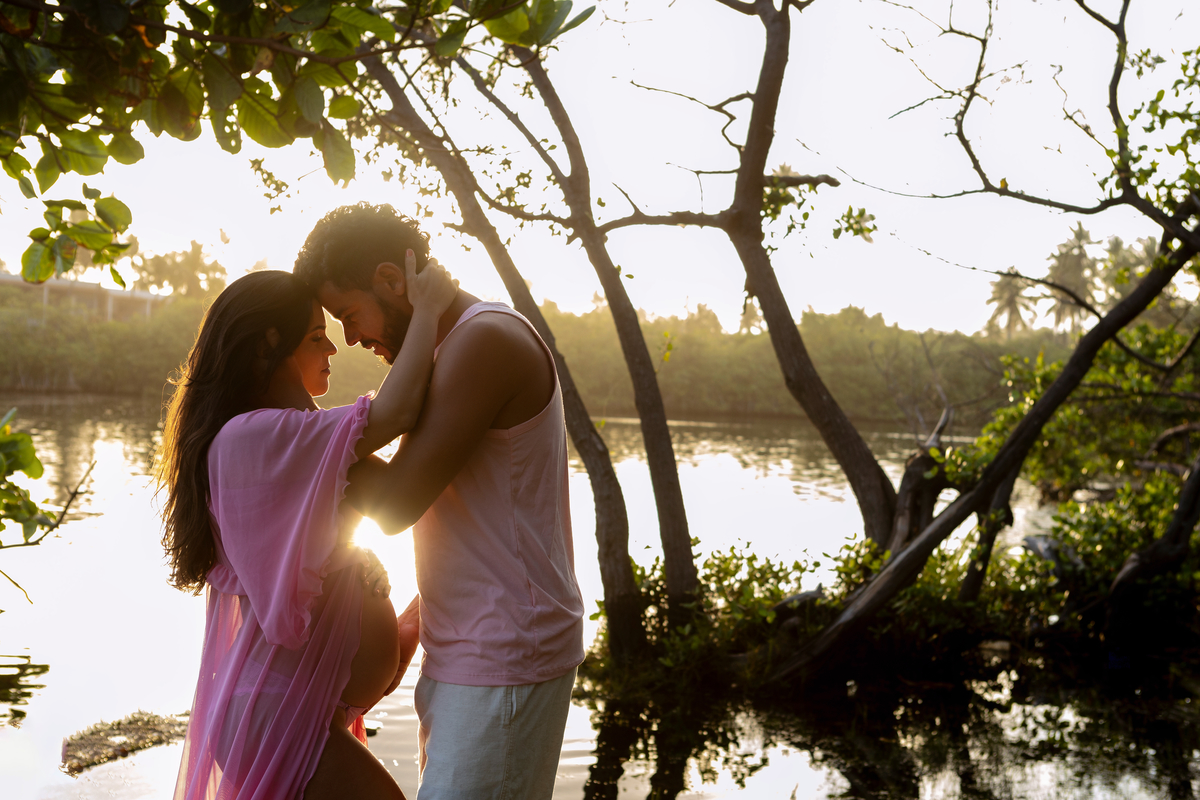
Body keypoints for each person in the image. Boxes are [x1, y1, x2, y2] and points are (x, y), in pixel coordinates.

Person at [294, 203, 585, 800]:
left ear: (392, 281)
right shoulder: (441, 351)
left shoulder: (485, 342)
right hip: (468, 648)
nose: (351, 338)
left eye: (350, 314)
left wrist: (282, 440)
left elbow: (395, 507)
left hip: (506, 653)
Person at [159, 259, 456, 800]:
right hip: (274, 708)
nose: (334, 349)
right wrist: (429, 312)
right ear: (272, 342)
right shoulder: (251, 437)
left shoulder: (298, 448)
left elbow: (395, 497)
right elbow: (396, 413)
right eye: (318, 335)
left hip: (297, 706)